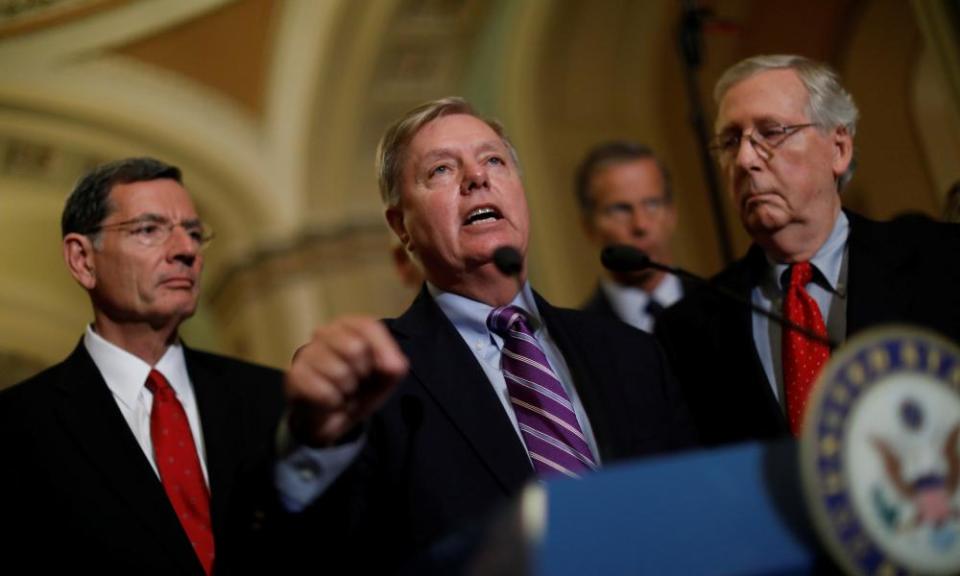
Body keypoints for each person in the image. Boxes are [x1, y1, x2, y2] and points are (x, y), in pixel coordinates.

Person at [279, 97, 696, 571]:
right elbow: (323, 551)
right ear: (401, 226)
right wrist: (313, 443)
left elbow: (694, 516)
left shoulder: (631, 354)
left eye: (493, 160)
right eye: (440, 170)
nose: (477, 178)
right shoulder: (372, 381)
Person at [655, 54, 960, 447]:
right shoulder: (688, 330)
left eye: (772, 132)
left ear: (839, 149)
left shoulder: (942, 261)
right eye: (731, 141)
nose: (746, 160)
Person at [0, 158, 285, 576]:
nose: (186, 251)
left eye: (193, 232)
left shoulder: (274, 398)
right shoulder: (15, 426)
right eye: (149, 230)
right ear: (83, 259)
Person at [575, 141, 689, 331]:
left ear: (672, 213)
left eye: (652, 204)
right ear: (589, 227)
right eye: (621, 209)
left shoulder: (724, 307)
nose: (640, 225)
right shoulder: (580, 338)